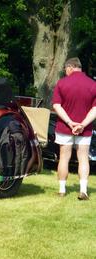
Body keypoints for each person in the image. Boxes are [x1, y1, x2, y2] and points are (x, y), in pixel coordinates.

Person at [52, 57, 96, 200]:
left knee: (64, 157)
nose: (65, 72)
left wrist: (70, 122)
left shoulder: (62, 83)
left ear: (70, 67)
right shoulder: (93, 84)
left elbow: (57, 105)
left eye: (65, 70)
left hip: (65, 127)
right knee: (83, 158)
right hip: (86, 128)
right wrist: (82, 124)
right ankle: (83, 190)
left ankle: (62, 190)